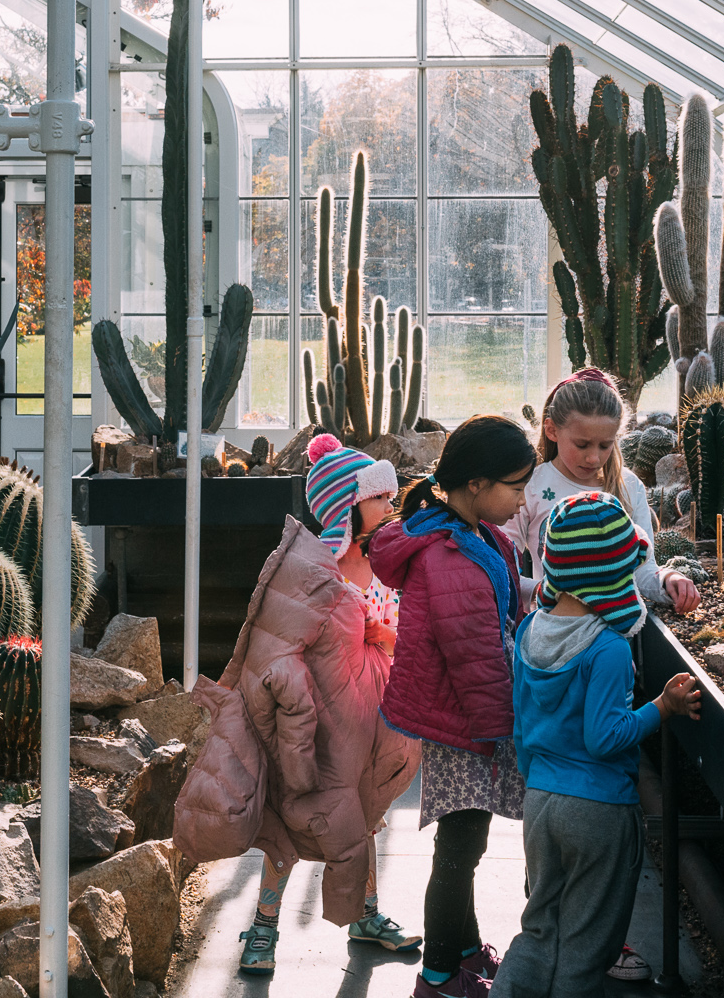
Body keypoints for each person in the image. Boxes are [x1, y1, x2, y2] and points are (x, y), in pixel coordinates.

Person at [494, 490, 703, 998]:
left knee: (540, 926)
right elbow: (606, 737)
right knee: (588, 944)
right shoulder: (606, 647)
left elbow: (521, 728)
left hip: (541, 802)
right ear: (612, 575)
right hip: (599, 810)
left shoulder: (528, 634)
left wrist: (539, 782)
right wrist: (662, 707)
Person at [227, 434, 422, 975]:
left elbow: (398, 627)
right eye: (379, 498)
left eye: (390, 496)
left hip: (374, 708)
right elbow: (283, 638)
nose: (390, 505)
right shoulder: (312, 568)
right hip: (315, 717)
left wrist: (387, 635)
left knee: (365, 809)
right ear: (345, 506)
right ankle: (263, 925)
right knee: (297, 816)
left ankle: (365, 913)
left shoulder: (385, 558)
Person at [369, 415, 540, 998]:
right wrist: (501, 731)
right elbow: (472, 657)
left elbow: (497, 606)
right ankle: (439, 975)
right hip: (466, 721)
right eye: (515, 487)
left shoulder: (475, 534)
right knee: (459, 848)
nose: (522, 500)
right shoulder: (446, 555)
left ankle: (463, 950)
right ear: (474, 485)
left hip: (467, 716)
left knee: (466, 842)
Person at [507, 368, 701, 633]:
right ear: (552, 430)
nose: (594, 458)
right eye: (582, 444)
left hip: (617, 638)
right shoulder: (531, 486)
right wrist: (540, 591)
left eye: (604, 445)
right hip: (553, 635)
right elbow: (502, 568)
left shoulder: (628, 486)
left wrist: (669, 579)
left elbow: (643, 572)